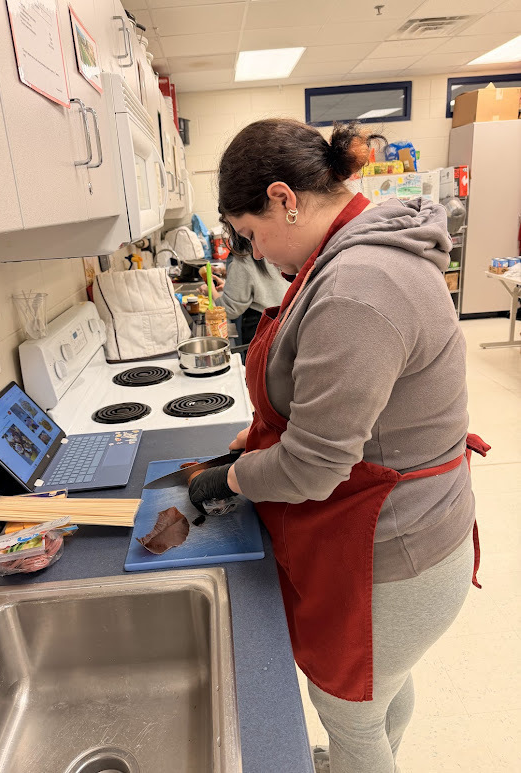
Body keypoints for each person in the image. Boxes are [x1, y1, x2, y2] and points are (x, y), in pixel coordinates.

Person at [187, 118, 487, 773]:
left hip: (394, 551)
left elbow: (316, 466)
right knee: (380, 690)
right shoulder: (350, 249)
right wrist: (260, 435)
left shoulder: (358, 283)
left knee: (348, 707)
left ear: (283, 198)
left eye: (250, 235)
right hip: (422, 529)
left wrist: (233, 478)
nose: (256, 254)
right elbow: (335, 399)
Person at [199, 256, 289, 347]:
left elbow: (230, 309)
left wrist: (211, 290)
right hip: (284, 319)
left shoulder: (244, 257)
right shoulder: (271, 251)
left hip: (259, 325)